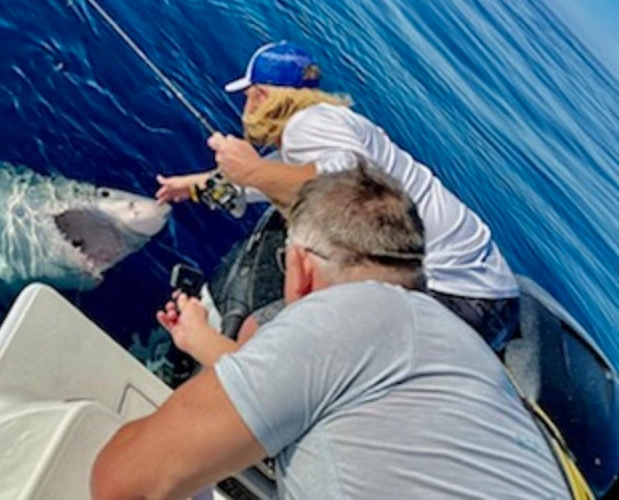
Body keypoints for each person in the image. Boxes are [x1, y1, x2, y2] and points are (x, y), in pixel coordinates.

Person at [92, 165, 569, 500]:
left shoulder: (334, 320)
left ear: (298, 264)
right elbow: (323, 386)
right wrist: (202, 344)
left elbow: (122, 483)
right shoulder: (465, 347)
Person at [156, 41, 519, 351]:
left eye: (248, 97)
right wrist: (191, 186)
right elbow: (269, 181)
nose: (245, 109)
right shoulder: (328, 124)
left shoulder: (307, 125)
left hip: (454, 297)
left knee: (267, 337)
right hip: (490, 292)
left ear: (263, 96)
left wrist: (251, 169)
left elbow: (349, 187)